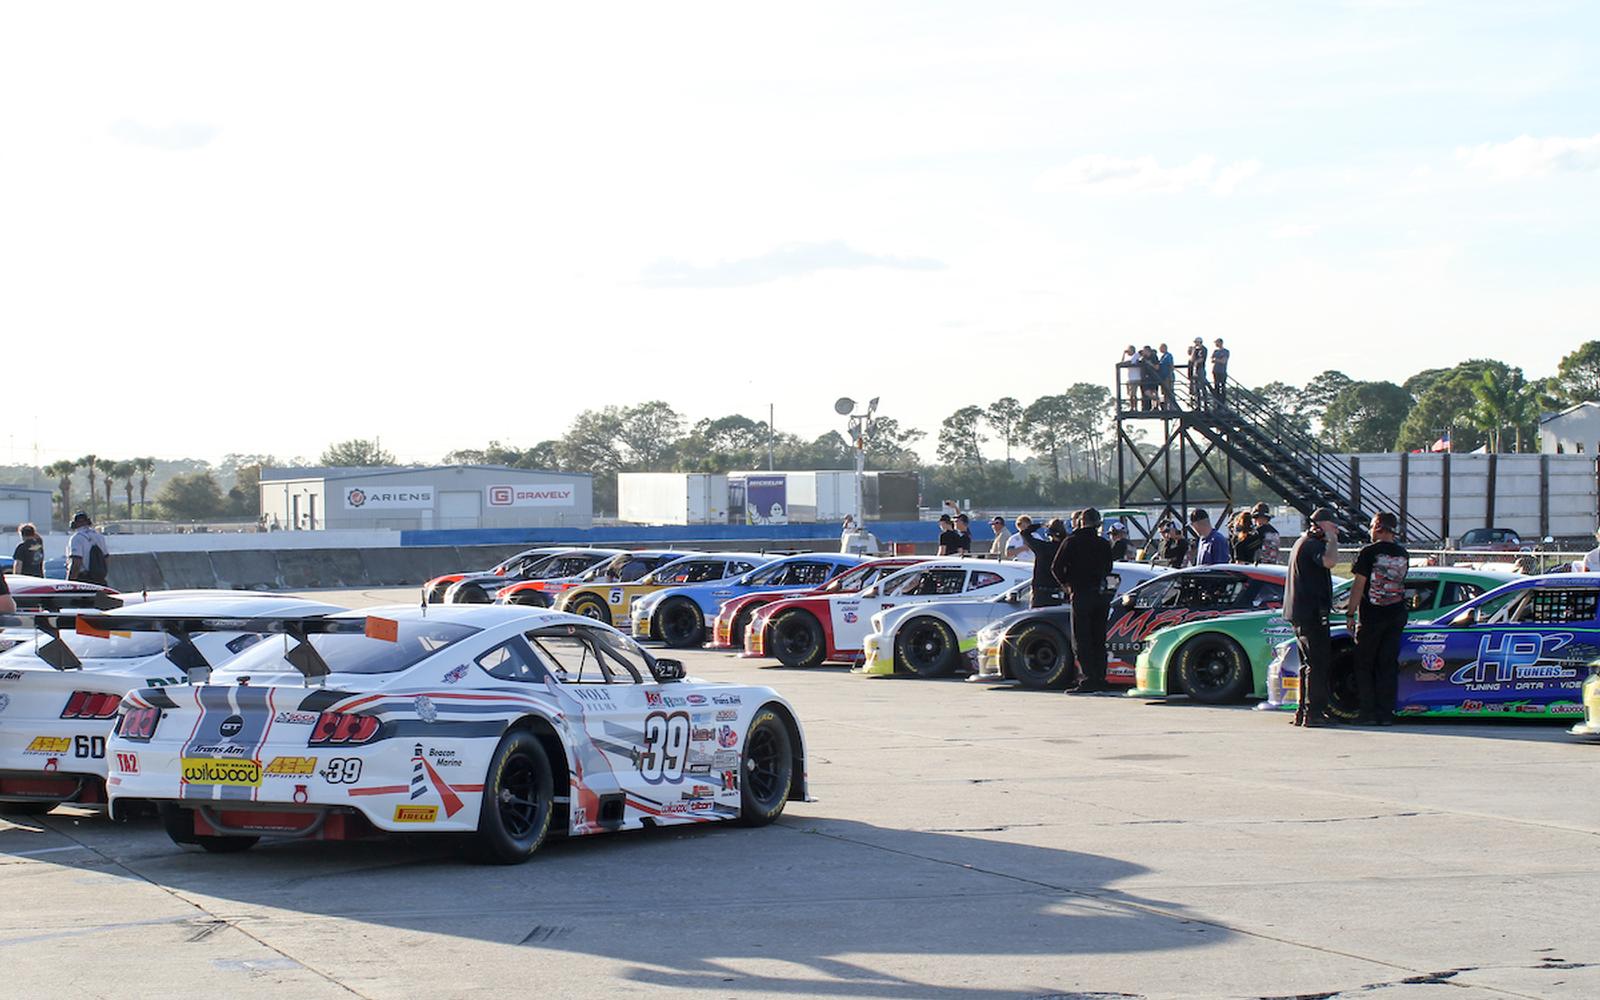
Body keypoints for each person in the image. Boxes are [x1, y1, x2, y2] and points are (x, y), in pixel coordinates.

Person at [1349, 512, 1408, 725]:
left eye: (1373, 525)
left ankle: (1367, 713)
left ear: (1380, 527)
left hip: (1372, 616)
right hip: (1396, 614)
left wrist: (1350, 612)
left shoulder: (1368, 552)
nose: (1370, 529)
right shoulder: (1403, 553)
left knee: (1364, 665)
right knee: (1387, 665)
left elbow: (1359, 585)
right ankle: (1386, 714)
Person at [1286, 508, 1342, 727]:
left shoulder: (1302, 543)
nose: (1336, 529)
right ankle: (1314, 712)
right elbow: (1330, 562)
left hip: (1301, 613)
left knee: (1307, 664)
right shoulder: (1312, 544)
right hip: (1311, 613)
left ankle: (1303, 710)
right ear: (1321, 525)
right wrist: (1332, 540)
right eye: (1333, 525)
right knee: (1318, 663)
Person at [1052, 507, 1114, 692]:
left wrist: (1066, 584)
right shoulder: (1103, 543)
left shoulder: (1071, 542)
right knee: (1098, 638)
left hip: (1080, 593)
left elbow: (1056, 568)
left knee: (1082, 639)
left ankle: (1088, 679)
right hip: (1101, 595)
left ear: (1081, 521)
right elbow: (1109, 568)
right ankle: (1101, 678)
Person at [1019, 518, 1070, 607]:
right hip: (1061, 591)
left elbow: (1024, 533)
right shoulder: (1068, 547)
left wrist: (1040, 525)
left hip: (1041, 593)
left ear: (1049, 534)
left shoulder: (1042, 547)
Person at [66, 511, 110, 586]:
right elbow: (106, 558)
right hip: (99, 580)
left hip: (84, 579)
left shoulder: (76, 538)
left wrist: (70, 583)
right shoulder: (99, 536)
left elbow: (76, 562)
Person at [1187, 337, 1208, 405]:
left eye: (1196, 342)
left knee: (1202, 386)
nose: (1195, 344)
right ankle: (1198, 404)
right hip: (1195, 370)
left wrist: (1196, 362)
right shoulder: (1196, 350)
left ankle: (1205, 404)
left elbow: (1201, 359)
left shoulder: (1203, 349)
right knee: (1196, 388)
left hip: (1200, 369)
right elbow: (1192, 359)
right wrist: (1193, 350)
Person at [1138, 347, 1159, 412]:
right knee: (1147, 392)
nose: (1143, 352)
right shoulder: (1144, 358)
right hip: (1146, 378)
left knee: (1154, 391)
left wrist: (1150, 364)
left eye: (1144, 351)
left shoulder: (1153, 357)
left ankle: (1156, 406)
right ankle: (1158, 400)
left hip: (1153, 377)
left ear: (1147, 351)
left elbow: (1157, 367)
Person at [1157, 342, 1176, 409]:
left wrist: (1170, 375)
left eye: (1161, 348)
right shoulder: (1163, 356)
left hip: (1168, 376)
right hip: (1163, 377)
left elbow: (1171, 365)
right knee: (1165, 392)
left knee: (1169, 391)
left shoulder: (1168, 356)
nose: (1159, 349)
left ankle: (1172, 406)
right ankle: (1166, 406)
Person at [1211, 337, 1230, 402]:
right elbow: (1212, 360)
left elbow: (1223, 361)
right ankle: (1217, 401)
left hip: (1222, 371)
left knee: (1222, 386)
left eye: (1217, 342)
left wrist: (1216, 360)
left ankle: (1222, 401)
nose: (1216, 344)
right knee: (1216, 386)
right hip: (1215, 371)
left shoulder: (1225, 351)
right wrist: (1218, 360)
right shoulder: (1215, 351)